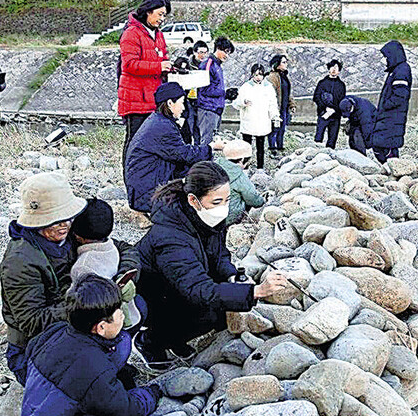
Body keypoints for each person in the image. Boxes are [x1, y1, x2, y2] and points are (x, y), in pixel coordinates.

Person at [21, 274, 159, 416]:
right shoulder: (92, 367)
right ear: (102, 327)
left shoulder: (56, 331)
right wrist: (151, 394)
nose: (123, 314)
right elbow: (128, 410)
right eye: (118, 312)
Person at [135, 161, 288, 367]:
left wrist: (232, 276)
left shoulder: (208, 217)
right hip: (153, 293)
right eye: (217, 202)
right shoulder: (170, 236)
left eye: (227, 199)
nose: (223, 208)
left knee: (223, 302)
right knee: (210, 312)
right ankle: (151, 340)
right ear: (193, 200)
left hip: (183, 281)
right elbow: (198, 290)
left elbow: (219, 254)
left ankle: (174, 338)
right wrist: (256, 291)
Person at [0, 173, 139, 385]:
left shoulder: (68, 234)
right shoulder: (20, 263)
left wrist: (123, 276)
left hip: (73, 326)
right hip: (34, 350)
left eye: (68, 216)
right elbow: (32, 322)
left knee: (139, 309)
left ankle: (105, 368)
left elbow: (122, 248)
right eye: (55, 219)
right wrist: (91, 302)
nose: (64, 224)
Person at [124, 82, 222, 214]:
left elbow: (179, 151)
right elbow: (184, 154)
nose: (183, 108)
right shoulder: (162, 127)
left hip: (143, 186)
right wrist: (211, 148)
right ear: (170, 103)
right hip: (146, 194)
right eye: (181, 103)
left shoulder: (158, 121)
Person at [69, 198, 143, 330]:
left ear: (77, 236)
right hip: (128, 315)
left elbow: (77, 302)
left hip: (107, 324)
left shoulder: (82, 267)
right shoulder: (111, 246)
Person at [118, 0, 171, 167]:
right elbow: (129, 64)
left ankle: (145, 174)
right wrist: (158, 66)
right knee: (133, 141)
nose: (162, 19)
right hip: (135, 100)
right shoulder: (131, 33)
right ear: (149, 11)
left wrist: (168, 66)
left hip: (153, 98)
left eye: (164, 15)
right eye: (160, 14)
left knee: (150, 142)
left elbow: (162, 58)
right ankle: (129, 176)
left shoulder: (158, 34)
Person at [372, 40, 412, 163]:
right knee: (382, 144)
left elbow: (400, 96)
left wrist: (386, 106)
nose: (385, 60)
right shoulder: (395, 70)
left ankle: (393, 169)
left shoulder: (402, 70)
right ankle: (392, 170)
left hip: (393, 116)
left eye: (386, 57)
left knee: (384, 145)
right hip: (388, 116)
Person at [232, 63, 279, 169]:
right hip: (248, 120)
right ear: (252, 75)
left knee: (261, 146)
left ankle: (260, 167)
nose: (258, 77)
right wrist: (243, 102)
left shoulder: (268, 87)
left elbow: (272, 104)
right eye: (256, 75)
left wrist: (275, 116)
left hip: (262, 121)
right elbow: (236, 103)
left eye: (260, 75)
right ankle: (245, 167)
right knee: (246, 146)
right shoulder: (246, 86)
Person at [195, 36, 235, 146]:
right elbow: (203, 88)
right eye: (226, 52)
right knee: (206, 142)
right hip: (207, 108)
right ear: (217, 48)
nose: (227, 56)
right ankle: (203, 163)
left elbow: (214, 88)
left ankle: (208, 162)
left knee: (213, 142)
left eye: (229, 53)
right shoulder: (208, 64)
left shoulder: (217, 65)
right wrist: (224, 93)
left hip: (215, 108)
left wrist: (226, 94)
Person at [215, 140, 265, 225]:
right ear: (241, 160)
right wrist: (263, 201)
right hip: (227, 218)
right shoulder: (240, 176)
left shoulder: (213, 166)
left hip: (209, 214)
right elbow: (253, 199)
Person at [313, 59, 346, 149]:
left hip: (335, 116)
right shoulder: (322, 83)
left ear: (339, 71)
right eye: (332, 67)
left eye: (336, 68)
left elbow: (342, 100)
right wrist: (325, 108)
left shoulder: (341, 85)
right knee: (318, 137)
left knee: (332, 139)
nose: (334, 70)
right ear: (328, 69)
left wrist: (334, 110)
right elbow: (316, 97)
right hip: (323, 113)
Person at [266, 54, 295, 153]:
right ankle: (272, 148)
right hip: (276, 107)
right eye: (283, 62)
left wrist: (292, 104)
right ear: (277, 64)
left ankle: (280, 146)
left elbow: (288, 92)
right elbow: (270, 94)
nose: (286, 64)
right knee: (274, 129)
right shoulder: (272, 77)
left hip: (284, 107)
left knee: (282, 129)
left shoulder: (284, 76)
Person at [182, 40, 209, 144]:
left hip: (201, 101)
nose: (202, 55)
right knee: (189, 127)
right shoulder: (187, 65)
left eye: (205, 52)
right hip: (188, 100)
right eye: (200, 52)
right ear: (194, 52)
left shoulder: (207, 66)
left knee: (199, 129)